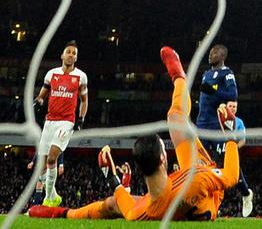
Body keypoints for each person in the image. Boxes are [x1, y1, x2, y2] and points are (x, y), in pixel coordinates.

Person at [28, 46, 240, 221]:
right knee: (176, 118)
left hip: (163, 202)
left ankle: (58, 212)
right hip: (205, 188)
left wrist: (111, 177)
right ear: (163, 158)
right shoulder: (196, 179)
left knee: (112, 204)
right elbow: (231, 176)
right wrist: (230, 134)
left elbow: (118, 200)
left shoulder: (140, 212)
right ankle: (179, 78)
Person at [195, 43, 252, 217]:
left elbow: (232, 95)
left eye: (215, 52)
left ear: (222, 56)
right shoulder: (206, 74)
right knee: (200, 166)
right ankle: (201, 205)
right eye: (211, 52)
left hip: (216, 125)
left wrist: (212, 91)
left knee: (226, 160)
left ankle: (246, 193)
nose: (211, 54)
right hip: (201, 124)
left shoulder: (227, 73)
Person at [32, 41, 88, 208]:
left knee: (51, 159)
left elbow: (84, 100)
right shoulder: (51, 74)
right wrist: (38, 101)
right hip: (49, 122)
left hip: (66, 122)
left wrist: (81, 119)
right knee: (40, 168)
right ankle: (53, 195)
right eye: (68, 52)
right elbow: (43, 94)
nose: (71, 55)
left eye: (74, 53)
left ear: (76, 58)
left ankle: (49, 199)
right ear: (62, 55)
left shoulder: (81, 77)